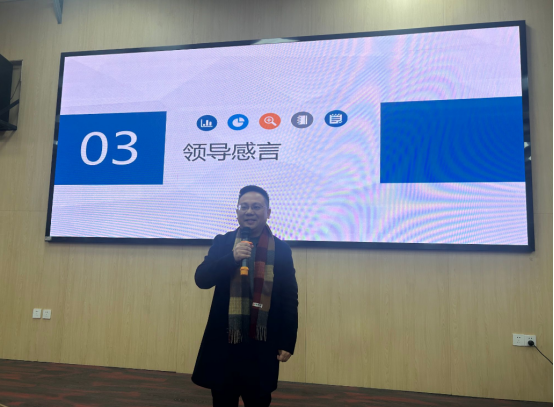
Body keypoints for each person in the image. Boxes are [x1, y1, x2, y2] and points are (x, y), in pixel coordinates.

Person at [192, 185, 299, 407]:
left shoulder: (281, 249)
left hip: (262, 342)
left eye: (256, 207)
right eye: (244, 207)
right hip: (226, 341)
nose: (249, 211)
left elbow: (289, 296)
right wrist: (231, 257)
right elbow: (202, 279)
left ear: (268, 212)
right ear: (237, 212)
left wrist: (287, 341)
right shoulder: (223, 242)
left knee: (258, 401)